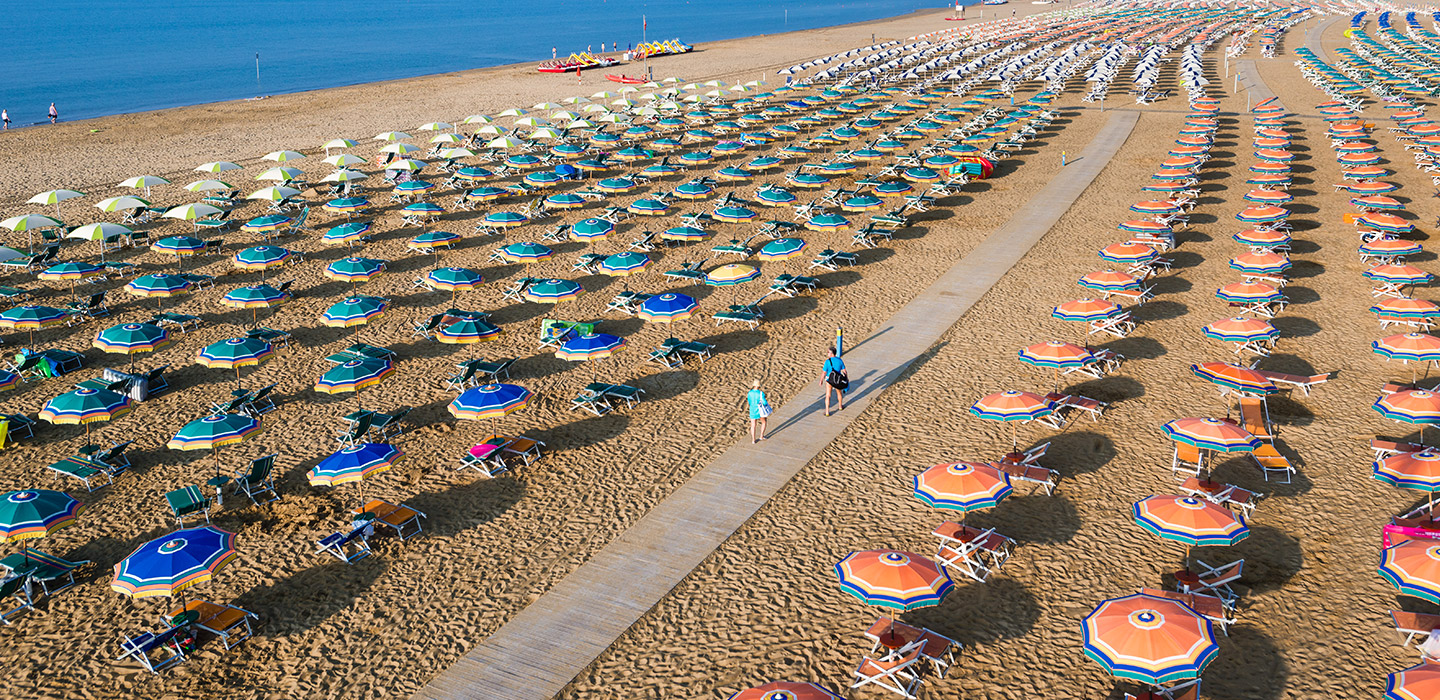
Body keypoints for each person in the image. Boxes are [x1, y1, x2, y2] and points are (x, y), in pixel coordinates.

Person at [821, 347, 848, 416]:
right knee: (839, 393)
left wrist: (821, 380)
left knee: (828, 395)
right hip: (837, 379)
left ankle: (827, 411)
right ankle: (840, 406)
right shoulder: (839, 360)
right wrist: (846, 379)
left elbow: (824, 372)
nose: (827, 353)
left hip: (829, 379)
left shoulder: (827, 361)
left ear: (832, 353)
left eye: (828, 352)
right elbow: (844, 371)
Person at [744, 379, 770, 443]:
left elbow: (749, 401)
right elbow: (764, 402)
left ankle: (753, 440)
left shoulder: (750, 392)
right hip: (760, 410)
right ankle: (761, 436)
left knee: (753, 425)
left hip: (752, 409)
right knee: (764, 422)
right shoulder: (761, 393)